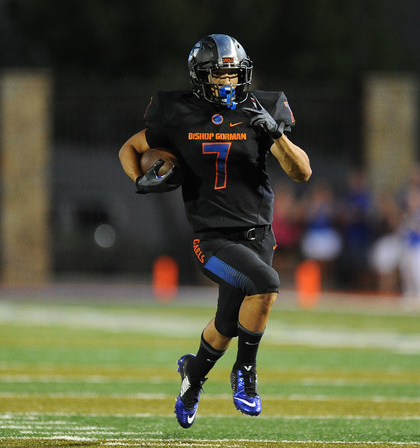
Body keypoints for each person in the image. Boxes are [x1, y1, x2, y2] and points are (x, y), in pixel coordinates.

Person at [118, 34, 311, 428]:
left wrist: (276, 134)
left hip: (259, 234)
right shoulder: (178, 112)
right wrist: (140, 177)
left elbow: (302, 171)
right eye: (219, 74)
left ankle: (193, 376)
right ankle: (246, 373)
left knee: (226, 323)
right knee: (266, 284)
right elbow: (130, 149)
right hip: (212, 237)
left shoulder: (262, 109)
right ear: (201, 76)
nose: (227, 81)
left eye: (232, 73)